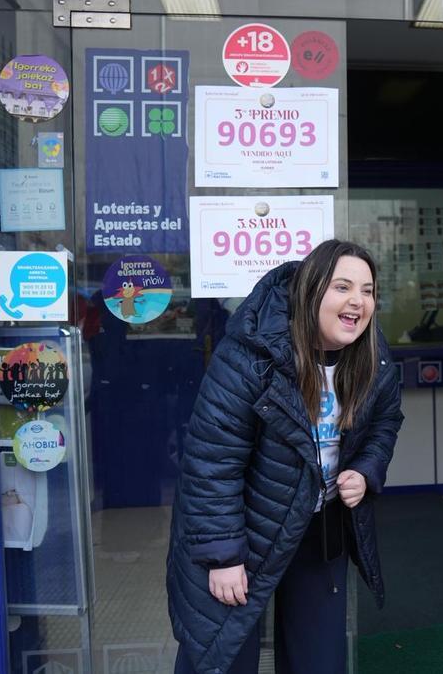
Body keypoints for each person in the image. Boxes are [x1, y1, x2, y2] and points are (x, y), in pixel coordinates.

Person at [167, 240, 403, 674]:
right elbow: (211, 462)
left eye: (368, 291)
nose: (358, 301)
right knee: (222, 658)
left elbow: (385, 421)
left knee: (319, 659)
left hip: (319, 526)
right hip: (244, 530)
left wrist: (365, 469)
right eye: (343, 287)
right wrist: (222, 556)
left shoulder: (372, 355)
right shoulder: (252, 354)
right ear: (311, 292)